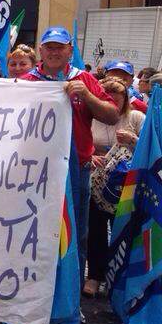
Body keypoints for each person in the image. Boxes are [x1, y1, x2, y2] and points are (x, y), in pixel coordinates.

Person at [21, 26, 120, 292]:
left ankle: (70, 295)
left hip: (77, 170)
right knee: (34, 229)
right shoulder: (27, 81)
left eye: (59, 47)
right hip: (37, 172)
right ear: (40, 50)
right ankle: (35, 290)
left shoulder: (84, 79)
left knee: (75, 231)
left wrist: (87, 96)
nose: (54, 52)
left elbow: (112, 115)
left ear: (70, 51)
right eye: (49, 47)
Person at [87, 77, 145, 298]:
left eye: (117, 101)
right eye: (107, 99)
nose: (112, 104)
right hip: (98, 183)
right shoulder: (91, 117)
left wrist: (133, 139)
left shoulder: (136, 118)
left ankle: (120, 277)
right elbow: (79, 143)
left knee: (125, 229)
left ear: (126, 100)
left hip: (128, 185)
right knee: (96, 230)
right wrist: (91, 156)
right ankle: (94, 275)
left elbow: (152, 146)